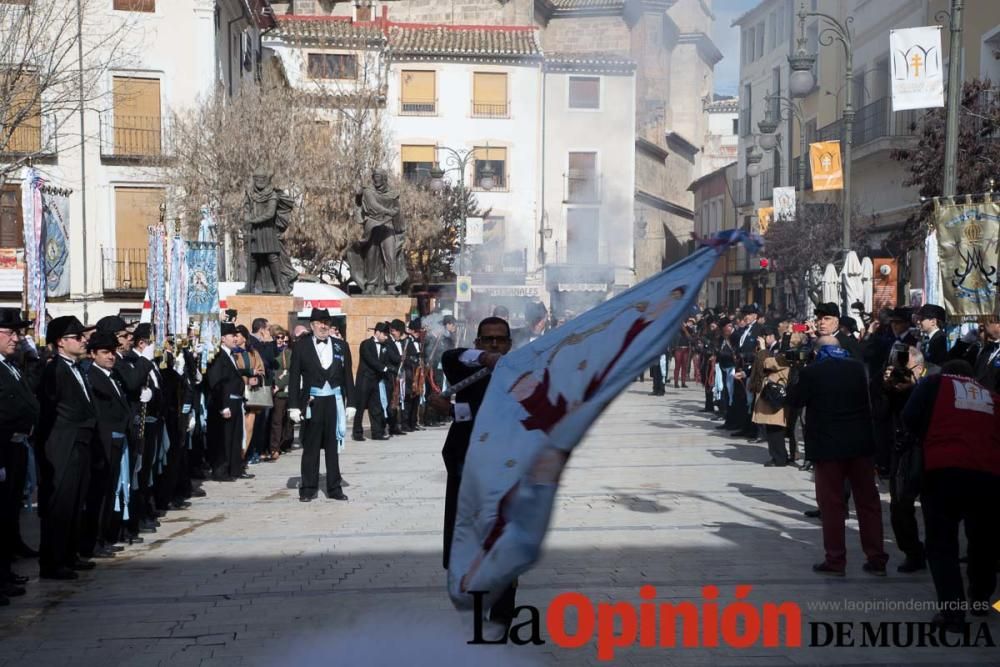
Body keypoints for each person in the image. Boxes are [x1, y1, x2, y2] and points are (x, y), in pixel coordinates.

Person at [429, 316, 517, 630]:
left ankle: (502, 625)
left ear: (510, 343)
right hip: (467, 470)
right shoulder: (466, 365)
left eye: (501, 340)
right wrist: (485, 360)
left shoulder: (521, 374)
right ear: (478, 342)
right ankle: (475, 619)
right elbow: (449, 357)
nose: (495, 344)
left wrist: (454, 410)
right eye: (488, 339)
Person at [902, 359, 1000, 632]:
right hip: (988, 473)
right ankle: (980, 598)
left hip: (943, 469)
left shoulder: (934, 383)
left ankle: (953, 613)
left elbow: (909, 418)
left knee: (942, 543)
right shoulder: (991, 396)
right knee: (983, 540)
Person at [790, 335, 888, 577]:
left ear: (816, 351)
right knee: (868, 503)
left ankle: (836, 560)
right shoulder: (857, 368)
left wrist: (799, 371)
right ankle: (876, 558)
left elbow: (795, 399)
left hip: (828, 446)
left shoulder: (812, 372)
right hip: (861, 444)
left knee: (832, 504)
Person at [36, 316, 98, 580]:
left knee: (75, 501)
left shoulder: (76, 367)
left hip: (80, 442)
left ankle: (70, 554)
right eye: (77, 337)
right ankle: (54, 560)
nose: (83, 341)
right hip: (63, 443)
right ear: (61, 343)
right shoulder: (54, 370)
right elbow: (48, 409)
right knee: (60, 502)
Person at [288, 309, 356, 502]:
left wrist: (351, 402)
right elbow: (294, 378)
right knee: (311, 447)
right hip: (312, 402)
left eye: (326, 322)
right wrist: (293, 406)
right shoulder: (301, 347)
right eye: (319, 322)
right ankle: (308, 488)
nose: (324, 326)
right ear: (312, 325)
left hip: (334, 402)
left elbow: (348, 376)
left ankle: (334, 488)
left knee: (332, 447)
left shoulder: (341, 346)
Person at [0, 309, 38, 602]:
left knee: (10, 510)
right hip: (3, 448)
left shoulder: (11, 365)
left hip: (17, 446)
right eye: (10, 333)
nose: (17, 338)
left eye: (18, 333)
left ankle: (6, 571)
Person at [84, 331, 132, 561]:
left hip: (117, 440)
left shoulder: (112, 375)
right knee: (99, 494)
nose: (111, 357)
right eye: (105, 352)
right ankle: (93, 541)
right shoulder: (92, 377)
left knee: (110, 490)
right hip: (104, 441)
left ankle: (102, 537)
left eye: (113, 352)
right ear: (93, 354)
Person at [206, 323, 250, 481]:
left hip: (236, 401)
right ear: (223, 338)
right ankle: (220, 470)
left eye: (236, 335)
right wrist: (223, 406)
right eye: (232, 336)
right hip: (226, 401)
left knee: (235, 436)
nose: (236, 339)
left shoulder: (231, 355)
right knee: (224, 437)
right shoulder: (219, 356)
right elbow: (217, 382)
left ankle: (235, 468)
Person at [749, 327, 791, 467]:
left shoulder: (784, 353)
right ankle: (778, 456)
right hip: (772, 390)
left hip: (777, 390)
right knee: (772, 428)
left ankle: (779, 458)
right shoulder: (778, 350)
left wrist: (762, 349)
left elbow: (769, 363)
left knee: (776, 429)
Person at [233, 325, 265, 462]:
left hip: (253, 393)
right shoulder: (233, 353)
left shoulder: (253, 352)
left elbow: (261, 370)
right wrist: (247, 376)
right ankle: (238, 455)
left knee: (250, 425)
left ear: (244, 337)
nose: (235, 338)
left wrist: (257, 378)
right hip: (239, 392)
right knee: (239, 426)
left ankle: (243, 455)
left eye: (237, 336)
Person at [353, 322, 390, 441]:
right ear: (377, 332)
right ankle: (357, 433)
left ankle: (377, 433)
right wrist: (383, 368)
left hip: (376, 381)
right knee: (360, 406)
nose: (386, 337)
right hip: (364, 380)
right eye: (384, 334)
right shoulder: (366, 344)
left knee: (376, 407)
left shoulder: (385, 346)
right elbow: (370, 360)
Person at [949, 316, 1000, 392]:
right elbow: (954, 363)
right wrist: (964, 341)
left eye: (987, 321)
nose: (981, 324)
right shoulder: (987, 349)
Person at [269, 325, 294, 457]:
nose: (280, 340)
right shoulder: (270, 351)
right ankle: (274, 447)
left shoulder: (288, 353)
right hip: (272, 390)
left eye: (283, 338)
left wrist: (280, 385)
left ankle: (282, 444)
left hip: (284, 390)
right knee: (276, 421)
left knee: (286, 420)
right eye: (277, 337)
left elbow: (291, 371)